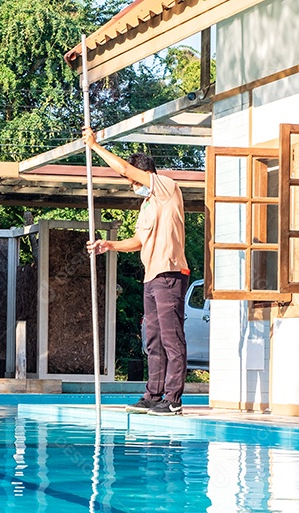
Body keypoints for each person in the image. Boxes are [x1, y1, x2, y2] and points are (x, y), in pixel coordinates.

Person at [83, 126, 189, 415]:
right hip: (151, 277)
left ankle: (173, 399)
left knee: (171, 338)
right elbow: (139, 241)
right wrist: (109, 245)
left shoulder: (167, 187)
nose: (132, 186)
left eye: (132, 181)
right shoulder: (146, 206)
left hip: (170, 273)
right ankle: (153, 395)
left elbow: (125, 167)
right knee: (153, 340)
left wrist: (94, 146)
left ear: (143, 176)